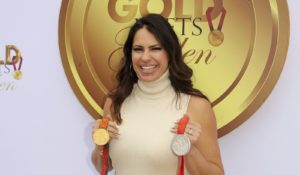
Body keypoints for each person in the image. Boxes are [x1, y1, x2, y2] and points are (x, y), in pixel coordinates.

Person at [92, 13, 224, 175]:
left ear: (169, 52)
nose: (145, 57)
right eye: (138, 49)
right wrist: (100, 144)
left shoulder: (195, 105)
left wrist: (189, 150)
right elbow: (103, 167)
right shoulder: (115, 102)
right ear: (129, 54)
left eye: (155, 48)